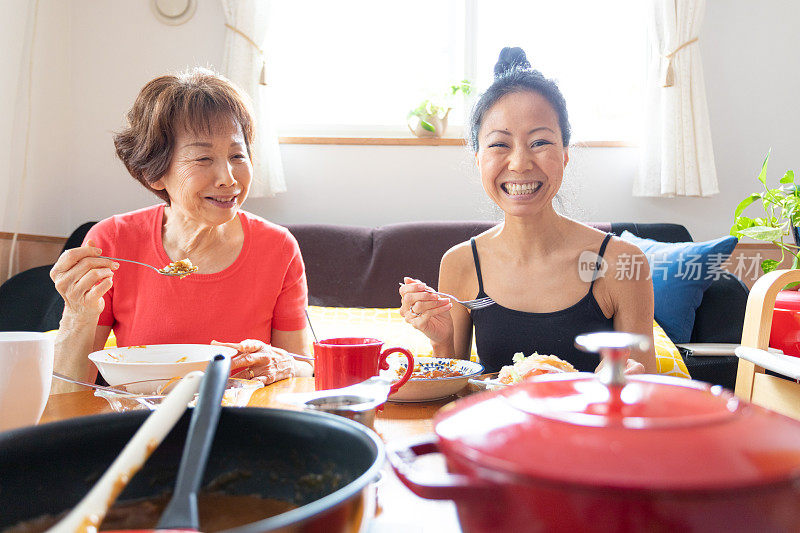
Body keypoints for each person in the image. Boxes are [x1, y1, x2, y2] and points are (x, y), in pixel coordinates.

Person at [50, 68, 312, 391]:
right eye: (203, 158)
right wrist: (78, 314)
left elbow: (305, 370)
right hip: (138, 428)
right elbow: (66, 396)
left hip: (243, 429)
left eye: (237, 155)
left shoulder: (279, 248)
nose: (228, 177)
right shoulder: (112, 242)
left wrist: (283, 364)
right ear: (155, 173)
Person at [399, 47, 656, 375]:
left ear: (565, 153)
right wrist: (441, 342)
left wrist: (623, 379)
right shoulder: (460, 263)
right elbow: (455, 392)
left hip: (588, 425)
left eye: (540, 142)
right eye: (499, 144)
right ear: (478, 159)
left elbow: (641, 390)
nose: (520, 163)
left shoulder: (621, 261)